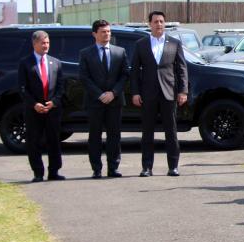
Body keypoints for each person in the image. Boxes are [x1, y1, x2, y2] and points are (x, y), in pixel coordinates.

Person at [130, 10, 188, 177]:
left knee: (171, 131)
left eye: (161, 21)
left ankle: (173, 166)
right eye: (155, 22)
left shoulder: (174, 43)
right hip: (148, 94)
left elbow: (182, 68)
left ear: (165, 23)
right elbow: (134, 71)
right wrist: (135, 92)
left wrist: (183, 90)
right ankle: (147, 167)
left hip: (169, 92)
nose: (159, 24)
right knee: (147, 132)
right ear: (150, 24)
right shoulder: (141, 44)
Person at [79, 19, 129, 178]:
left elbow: (124, 75)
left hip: (114, 101)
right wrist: (100, 95)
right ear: (94, 34)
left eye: (108, 31)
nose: (107, 34)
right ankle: (96, 169)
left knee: (114, 135)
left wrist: (113, 93)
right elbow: (84, 77)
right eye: (103, 32)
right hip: (95, 101)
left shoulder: (119, 52)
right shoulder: (86, 53)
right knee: (94, 136)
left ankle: (113, 167)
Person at [18, 30, 65, 182]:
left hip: (52, 109)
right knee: (34, 141)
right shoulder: (25, 63)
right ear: (34, 44)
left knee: (54, 140)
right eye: (42, 43)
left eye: (47, 43)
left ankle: (54, 171)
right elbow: (22, 88)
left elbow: (60, 87)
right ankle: (38, 172)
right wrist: (34, 104)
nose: (46, 46)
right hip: (34, 109)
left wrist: (54, 102)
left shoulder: (55, 62)